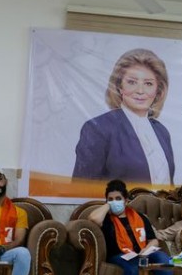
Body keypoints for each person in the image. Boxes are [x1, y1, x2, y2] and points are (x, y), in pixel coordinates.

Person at [73, 49, 175, 185]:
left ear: (158, 90)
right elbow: (81, 190)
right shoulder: (98, 128)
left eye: (148, 84)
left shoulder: (162, 132)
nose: (140, 91)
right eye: (132, 82)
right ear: (119, 86)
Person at [89, 179, 173, 275]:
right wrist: (107, 206)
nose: (114, 202)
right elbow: (94, 219)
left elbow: (154, 239)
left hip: (143, 252)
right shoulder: (107, 218)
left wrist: (145, 251)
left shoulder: (139, 217)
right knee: (133, 266)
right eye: (110, 199)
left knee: (164, 261)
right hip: (119, 255)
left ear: (126, 200)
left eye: (118, 199)